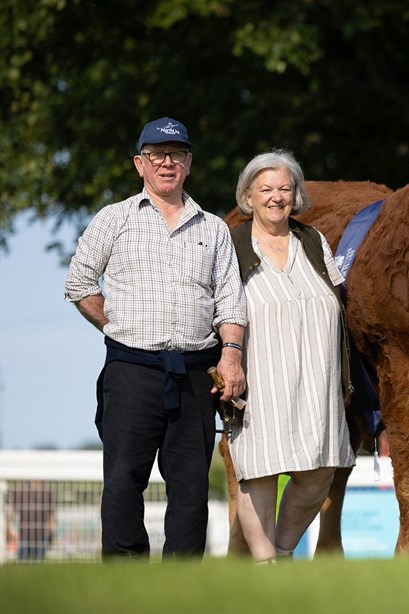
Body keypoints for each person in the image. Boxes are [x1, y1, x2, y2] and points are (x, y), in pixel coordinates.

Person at [64, 117, 247, 559]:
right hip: (131, 371)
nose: (167, 163)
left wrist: (233, 356)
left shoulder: (214, 228)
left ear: (189, 163)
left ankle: (180, 582)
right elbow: (79, 284)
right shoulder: (114, 218)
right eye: (156, 155)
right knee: (124, 478)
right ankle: (125, 578)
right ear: (139, 164)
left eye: (177, 155)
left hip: (195, 373)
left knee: (189, 486)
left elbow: (231, 302)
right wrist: (117, 328)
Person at [227, 150, 355, 563]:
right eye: (265, 189)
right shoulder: (231, 245)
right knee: (259, 471)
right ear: (248, 197)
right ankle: (267, 565)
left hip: (319, 381)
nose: (276, 197)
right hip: (259, 378)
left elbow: (340, 301)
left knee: (320, 471)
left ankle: (282, 551)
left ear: (296, 194)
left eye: (285, 188)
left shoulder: (313, 241)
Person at [8, 480, 56, 562]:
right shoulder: (21, 490)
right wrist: (7, 528)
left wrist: (50, 530)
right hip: (24, 535)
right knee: (22, 563)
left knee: (39, 564)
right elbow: (12, 511)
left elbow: (51, 514)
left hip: (41, 535)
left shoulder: (48, 491)